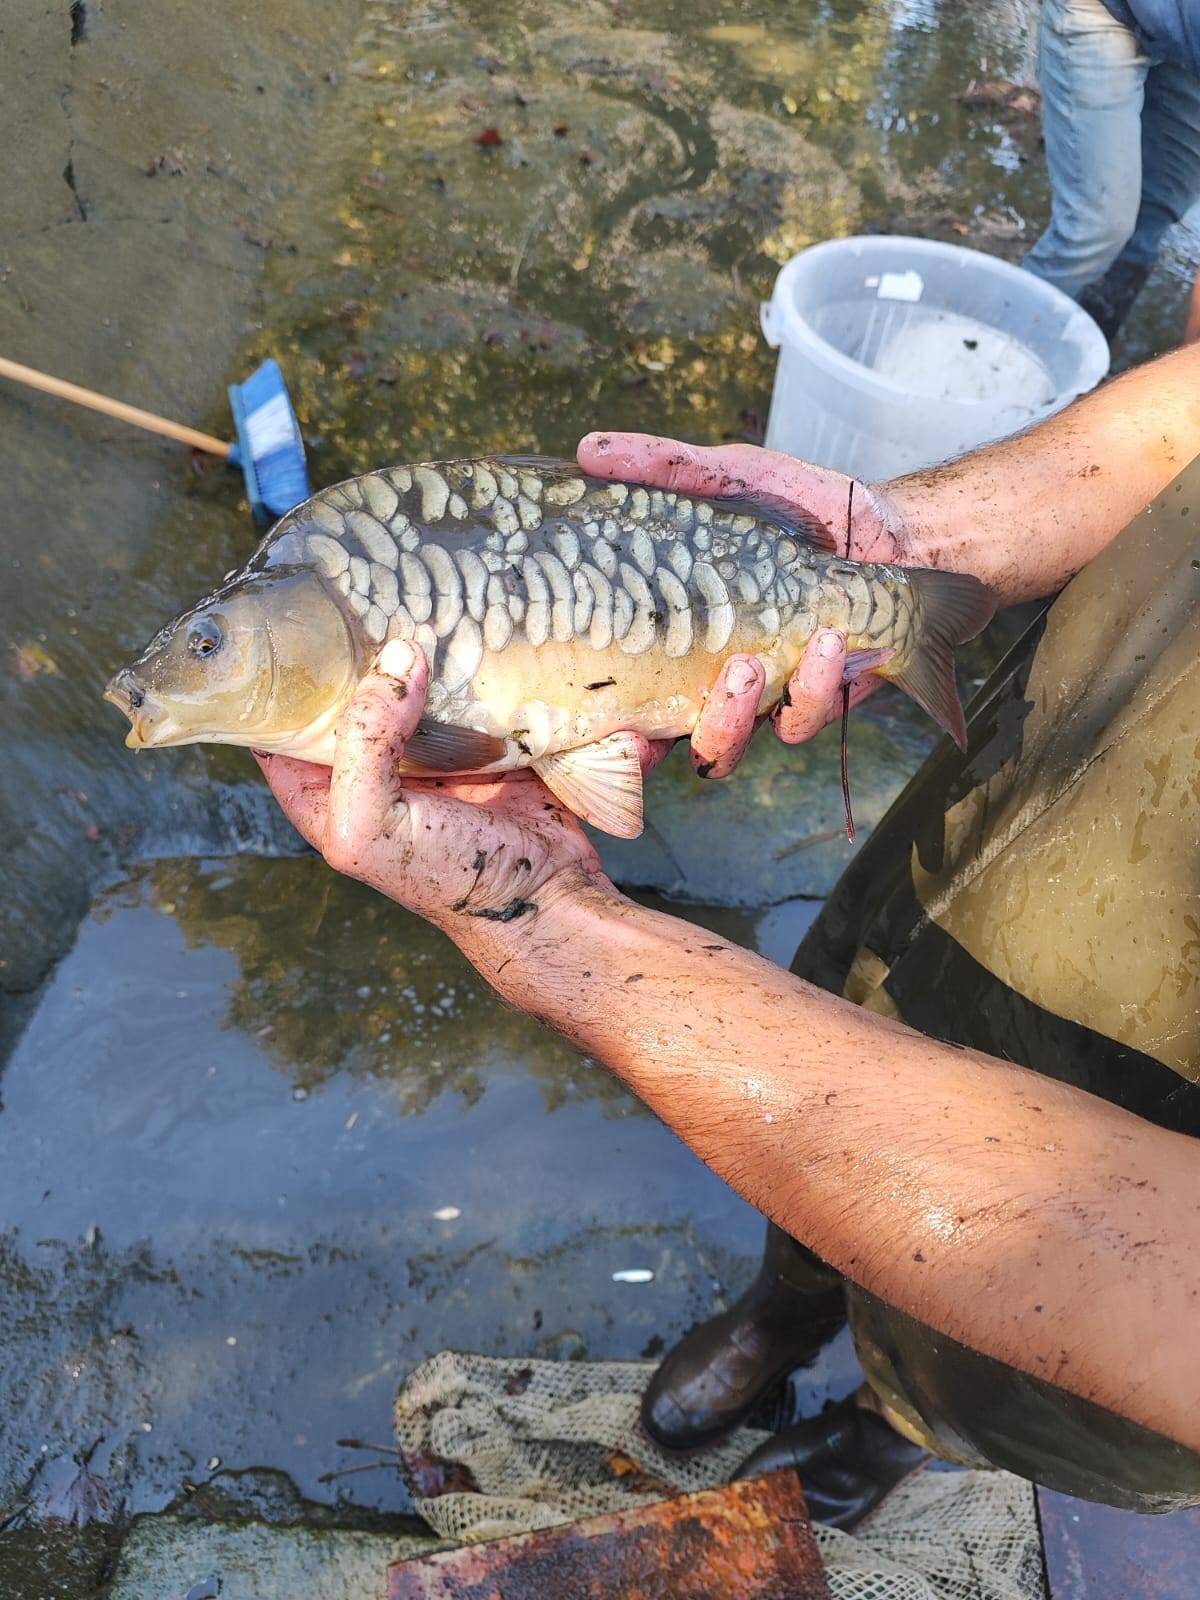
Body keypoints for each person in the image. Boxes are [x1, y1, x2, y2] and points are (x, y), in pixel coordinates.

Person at [254, 341, 1200, 1525]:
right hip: (1053, 754)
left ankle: (902, 1422)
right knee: (861, 976)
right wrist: (909, 538)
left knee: (1006, 1354)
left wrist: (547, 920)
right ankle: (782, 1310)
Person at [1023, 0, 1200, 342]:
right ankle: (997, 355)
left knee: (1160, 205)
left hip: (1185, 38)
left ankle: (1089, 350)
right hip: (1102, 9)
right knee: (1094, 229)